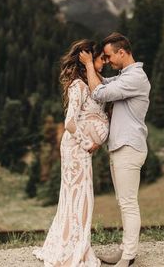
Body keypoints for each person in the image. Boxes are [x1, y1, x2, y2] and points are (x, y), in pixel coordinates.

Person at [32, 39, 109, 267]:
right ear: (88, 59)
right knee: (79, 194)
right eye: (100, 58)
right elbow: (69, 123)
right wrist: (88, 143)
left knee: (80, 194)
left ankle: (76, 241)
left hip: (81, 148)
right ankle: (73, 245)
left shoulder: (94, 83)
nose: (104, 62)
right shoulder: (78, 86)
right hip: (76, 147)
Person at [79, 32, 151, 267]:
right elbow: (102, 83)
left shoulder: (136, 78)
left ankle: (128, 256)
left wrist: (89, 64)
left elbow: (99, 92)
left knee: (128, 203)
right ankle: (124, 250)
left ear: (122, 52)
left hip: (129, 147)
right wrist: (91, 69)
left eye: (109, 56)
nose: (107, 61)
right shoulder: (124, 77)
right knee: (123, 202)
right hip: (121, 147)